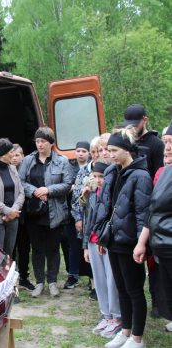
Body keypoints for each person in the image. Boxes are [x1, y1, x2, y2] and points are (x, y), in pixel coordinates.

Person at [94, 127, 152, 348]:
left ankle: (137, 338)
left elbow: (143, 214)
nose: (109, 154)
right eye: (107, 150)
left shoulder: (141, 176)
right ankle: (125, 331)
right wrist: (101, 237)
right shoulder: (112, 172)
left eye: (114, 150)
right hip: (113, 240)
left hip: (130, 243)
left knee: (135, 290)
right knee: (121, 288)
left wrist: (141, 243)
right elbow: (104, 206)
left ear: (127, 150)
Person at [18, 127, 72, 298]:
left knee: (53, 248)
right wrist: (35, 191)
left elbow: (68, 184)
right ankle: (40, 282)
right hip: (34, 211)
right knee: (38, 248)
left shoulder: (62, 161)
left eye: (43, 141)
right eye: (37, 141)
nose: (40, 144)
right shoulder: (28, 160)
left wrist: (48, 190)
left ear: (51, 143)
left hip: (54, 211)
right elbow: (20, 181)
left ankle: (53, 282)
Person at [123, 104, 164, 319]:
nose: (132, 128)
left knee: (154, 258)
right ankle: (135, 299)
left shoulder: (157, 145)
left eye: (135, 124)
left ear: (145, 120)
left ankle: (159, 302)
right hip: (131, 208)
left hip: (152, 207)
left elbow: (160, 176)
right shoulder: (127, 141)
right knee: (135, 256)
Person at [134, 121, 172, 331]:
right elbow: (153, 209)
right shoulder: (165, 172)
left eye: (171, 142)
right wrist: (142, 243)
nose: (167, 147)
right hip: (162, 247)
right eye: (166, 142)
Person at [80, 160, 121, 339]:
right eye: (95, 176)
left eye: (101, 177)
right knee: (100, 280)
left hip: (106, 242)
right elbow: (87, 220)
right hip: (92, 241)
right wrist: (85, 246)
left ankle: (117, 316)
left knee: (112, 280)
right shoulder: (92, 193)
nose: (98, 180)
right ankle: (106, 314)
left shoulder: (111, 194)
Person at [63, 141, 90, 289]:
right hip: (70, 212)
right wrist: (70, 187)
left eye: (83, 151)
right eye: (78, 150)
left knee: (87, 245)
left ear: (89, 153)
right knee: (72, 245)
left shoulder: (93, 167)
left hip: (87, 212)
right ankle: (73, 275)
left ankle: (90, 277)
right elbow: (64, 184)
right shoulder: (69, 166)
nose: (80, 153)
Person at [11, 144, 35, 291]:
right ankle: (12, 278)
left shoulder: (28, 170)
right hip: (11, 214)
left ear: (23, 156)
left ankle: (24, 277)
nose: (14, 158)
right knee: (11, 249)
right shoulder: (5, 170)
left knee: (25, 247)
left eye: (17, 155)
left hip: (26, 215)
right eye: (12, 155)